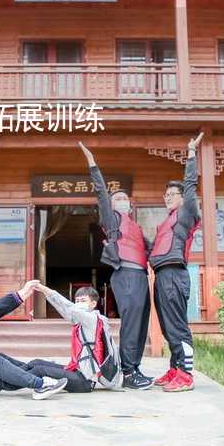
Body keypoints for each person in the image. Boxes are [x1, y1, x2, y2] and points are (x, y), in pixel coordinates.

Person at [78, 142, 152, 390]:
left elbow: (154, 250)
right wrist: (92, 163)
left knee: (142, 323)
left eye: (124, 198)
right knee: (132, 322)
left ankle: (135, 367)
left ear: (130, 204)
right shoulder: (112, 220)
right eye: (117, 198)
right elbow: (100, 192)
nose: (121, 200)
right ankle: (128, 372)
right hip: (126, 274)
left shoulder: (136, 226)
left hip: (141, 275)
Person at [150, 132, 204, 392]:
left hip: (174, 275)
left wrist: (191, 154)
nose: (168, 197)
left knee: (178, 325)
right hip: (161, 276)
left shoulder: (187, 212)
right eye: (166, 194)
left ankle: (186, 374)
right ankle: (174, 368)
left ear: (183, 198)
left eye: (173, 194)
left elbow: (191, 185)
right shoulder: (165, 223)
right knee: (166, 325)